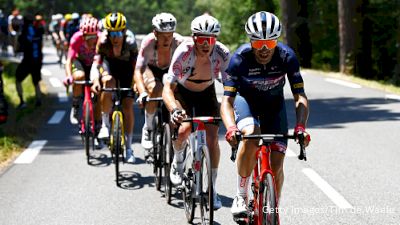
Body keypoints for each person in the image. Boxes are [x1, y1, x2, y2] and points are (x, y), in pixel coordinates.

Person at [220, 11, 311, 216]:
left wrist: (300, 127)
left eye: (269, 44)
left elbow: (300, 97)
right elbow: (227, 101)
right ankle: (241, 194)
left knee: (277, 163)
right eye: (258, 43)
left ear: (276, 43)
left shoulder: (287, 56)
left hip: (274, 107)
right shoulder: (239, 59)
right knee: (251, 136)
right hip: (247, 104)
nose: (263, 49)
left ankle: (272, 209)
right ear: (250, 41)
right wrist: (231, 128)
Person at [162, 14, 230, 210]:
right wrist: (174, 109)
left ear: (215, 39)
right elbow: (168, 88)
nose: (206, 44)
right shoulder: (183, 52)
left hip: (207, 92)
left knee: (212, 138)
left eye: (210, 39)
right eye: (201, 39)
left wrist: (231, 112)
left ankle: (212, 188)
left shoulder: (222, 54)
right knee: (183, 130)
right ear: (194, 38)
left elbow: (230, 87)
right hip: (183, 92)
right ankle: (178, 158)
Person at [91, 12, 138, 163]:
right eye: (111, 33)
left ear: (124, 32)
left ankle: (129, 148)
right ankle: (105, 125)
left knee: (127, 106)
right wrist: (95, 80)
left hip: (127, 69)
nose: (115, 37)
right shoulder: (103, 42)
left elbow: (137, 66)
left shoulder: (130, 42)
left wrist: (137, 82)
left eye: (118, 33)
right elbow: (97, 63)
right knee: (108, 82)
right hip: (110, 67)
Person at [134, 12, 184, 155]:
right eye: (163, 34)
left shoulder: (179, 43)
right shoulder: (148, 43)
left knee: (176, 94)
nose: (167, 38)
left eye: (170, 34)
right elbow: (138, 71)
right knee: (156, 89)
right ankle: (148, 128)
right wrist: (142, 92)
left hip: (170, 70)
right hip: (151, 69)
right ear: (155, 33)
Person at [63, 17, 104, 148]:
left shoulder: (102, 39)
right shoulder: (76, 38)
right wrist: (69, 76)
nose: (91, 40)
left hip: (94, 65)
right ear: (83, 35)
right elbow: (69, 60)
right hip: (80, 63)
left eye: (94, 37)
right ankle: (75, 105)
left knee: (97, 96)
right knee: (79, 76)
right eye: (87, 37)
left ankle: (98, 130)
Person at [15, 13, 45, 108]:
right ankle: (39, 100)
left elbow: (18, 45)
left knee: (18, 79)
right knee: (36, 82)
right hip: (38, 60)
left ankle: (22, 101)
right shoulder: (38, 30)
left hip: (27, 61)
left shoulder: (23, 31)